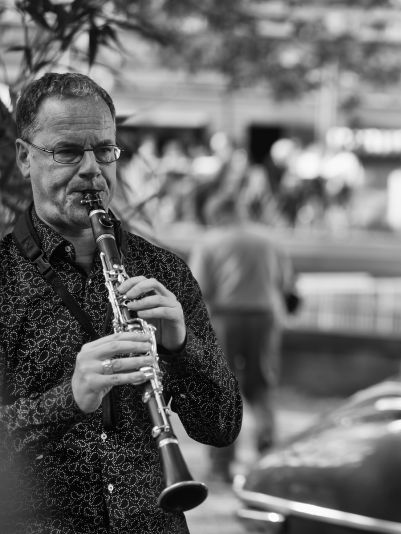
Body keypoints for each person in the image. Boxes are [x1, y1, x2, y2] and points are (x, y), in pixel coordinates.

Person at [0, 72, 243, 533]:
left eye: (104, 150)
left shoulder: (164, 271)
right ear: (25, 158)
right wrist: (68, 399)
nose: (92, 169)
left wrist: (182, 348)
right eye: (67, 151)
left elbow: (222, 426)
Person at [189, 196, 299, 482]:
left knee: (222, 387)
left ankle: (221, 464)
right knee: (262, 385)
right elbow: (285, 283)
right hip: (265, 317)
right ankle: (267, 456)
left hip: (225, 319)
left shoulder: (210, 242)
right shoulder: (269, 240)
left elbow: (198, 288)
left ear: (216, 215)